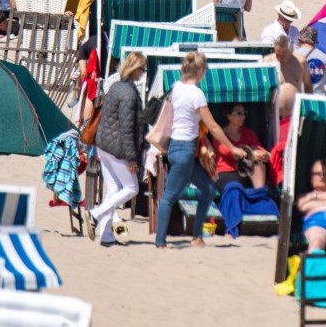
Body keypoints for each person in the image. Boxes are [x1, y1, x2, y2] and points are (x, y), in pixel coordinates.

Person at [154, 53, 245, 248]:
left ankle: (196, 237)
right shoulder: (197, 94)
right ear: (201, 71)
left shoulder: (176, 88)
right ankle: (161, 241)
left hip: (174, 148)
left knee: (208, 188)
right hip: (186, 149)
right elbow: (213, 126)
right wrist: (232, 148)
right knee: (170, 196)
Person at [90, 51, 146, 247]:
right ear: (134, 69)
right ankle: (96, 213)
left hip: (103, 144)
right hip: (117, 148)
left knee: (113, 189)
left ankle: (106, 236)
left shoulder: (115, 87)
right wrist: (132, 159)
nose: (143, 73)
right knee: (132, 188)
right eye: (142, 69)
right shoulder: (129, 94)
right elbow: (127, 128)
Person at [213, 102, 269, 189]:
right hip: (228, 171)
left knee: (257, 153)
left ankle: (259, 193)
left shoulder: (248, 133)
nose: (243, 117)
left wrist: (264, 153)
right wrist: (251, 155)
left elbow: (257, 147)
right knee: (235, 189)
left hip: (247, 170)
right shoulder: (219, 135)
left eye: (244, 113)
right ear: (228, 116)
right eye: (239, 113)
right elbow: (228, 152)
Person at [297, 158, 326, 252]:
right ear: (311, 177)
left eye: (325, 174)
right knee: (317, 242)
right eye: (318, 174)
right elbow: (302, 207)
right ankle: (313, 266)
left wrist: (314, 199)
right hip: (316, 222)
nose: (322, 177)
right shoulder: (303, 196)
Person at [295, 25, 326, 97]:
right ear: (314, 42)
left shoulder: (293, 55)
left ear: (300, 39)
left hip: (298, 98)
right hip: (318, 100)